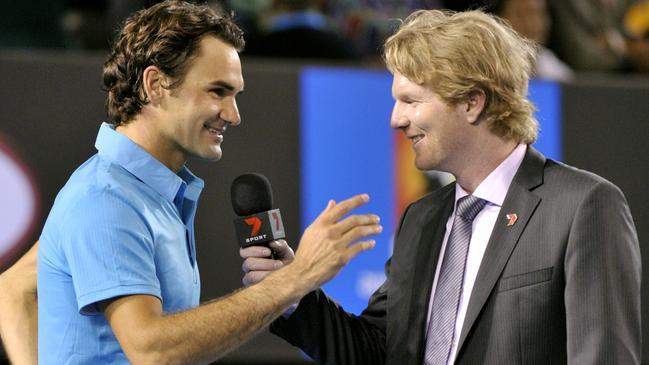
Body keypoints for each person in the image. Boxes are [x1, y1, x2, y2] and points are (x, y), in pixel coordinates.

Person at [241, 9, 641, 365]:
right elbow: (376, 348)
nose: (396, 120)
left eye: (411, 100)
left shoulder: (582, 205)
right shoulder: (422, 218)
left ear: (471, 102)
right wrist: (291, 289)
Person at [0, 1, 383, 364]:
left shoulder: (141, 192)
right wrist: (296, 279)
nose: (233, 115)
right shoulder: (107, 198)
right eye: (217, 91)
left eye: (235, 95)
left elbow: (13, 288)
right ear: (154, 85)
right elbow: (153, 352)